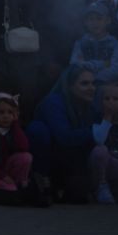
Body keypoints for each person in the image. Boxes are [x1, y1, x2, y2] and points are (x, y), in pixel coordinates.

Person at [30, 66, 100, 203]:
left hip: (70, 158)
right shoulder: (53, 102)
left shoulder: (89, 106)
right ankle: (41, 179)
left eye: (93, 83)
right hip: (51, 155)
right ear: (70, 86)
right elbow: (64, 137)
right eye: (84, 83)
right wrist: (95, 131)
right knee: (37, 129)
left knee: (79, 196)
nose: (91, 88)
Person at [70, 1, 118, 86]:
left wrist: (92, 77)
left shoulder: (115, 44)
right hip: (84, 87)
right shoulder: (80, 43)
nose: (95, 23)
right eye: (91, 19)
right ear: (85, 22)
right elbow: (74, 64)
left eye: (99, 18)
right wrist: (103, 64)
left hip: (108, 89)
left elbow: (115, 70)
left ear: (108, 20)